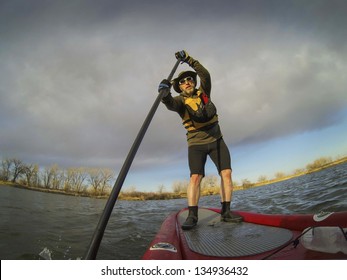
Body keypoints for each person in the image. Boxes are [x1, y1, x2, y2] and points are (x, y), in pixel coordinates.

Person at [158, 50, 243, 230]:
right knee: (195, 177)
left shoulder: (204, 92)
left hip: (216, 140)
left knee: (226, 173)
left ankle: (226, 212)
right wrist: (164, 94)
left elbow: (205, 74)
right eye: (182, 82)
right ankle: (192, 216)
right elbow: (169, 104)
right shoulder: (179, 101)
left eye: (189, 79)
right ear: (179, 87)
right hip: (196, 145)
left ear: (193, 82)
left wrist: (189, 60)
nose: (186, 82)